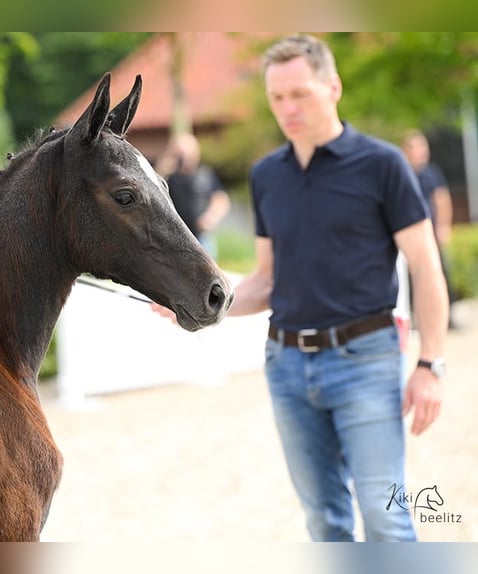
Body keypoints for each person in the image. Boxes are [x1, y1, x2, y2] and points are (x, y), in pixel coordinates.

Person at [154, 35, 449, 541]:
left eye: (300, 95)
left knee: (386, 516)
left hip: (367, 361)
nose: (287, 109)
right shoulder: (268, 176)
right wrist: (203, 305)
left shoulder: (383, 165)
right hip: (288, 368)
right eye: (277, 98)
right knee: (324, 522)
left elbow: (425, 266)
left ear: (332, 86)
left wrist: (430, 365)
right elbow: (267, 280)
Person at [401, 129, 459, 328]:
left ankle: (448, 317)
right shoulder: (401, 171)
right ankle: (414, 320)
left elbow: (441, 199)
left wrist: (443, 226)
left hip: (430, 234)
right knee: (410, 279)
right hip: (407, 236)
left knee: (441, 273)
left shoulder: (431, 172)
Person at [155, 133, 230, 258]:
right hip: (174, 236)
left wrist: (212, 217)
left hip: (201, 237)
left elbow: (221, 199)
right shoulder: (168, 176)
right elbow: (152, 191)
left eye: (188, 153)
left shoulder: (205, 174)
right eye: (180, 153)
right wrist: (163, 167)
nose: (185, 157)